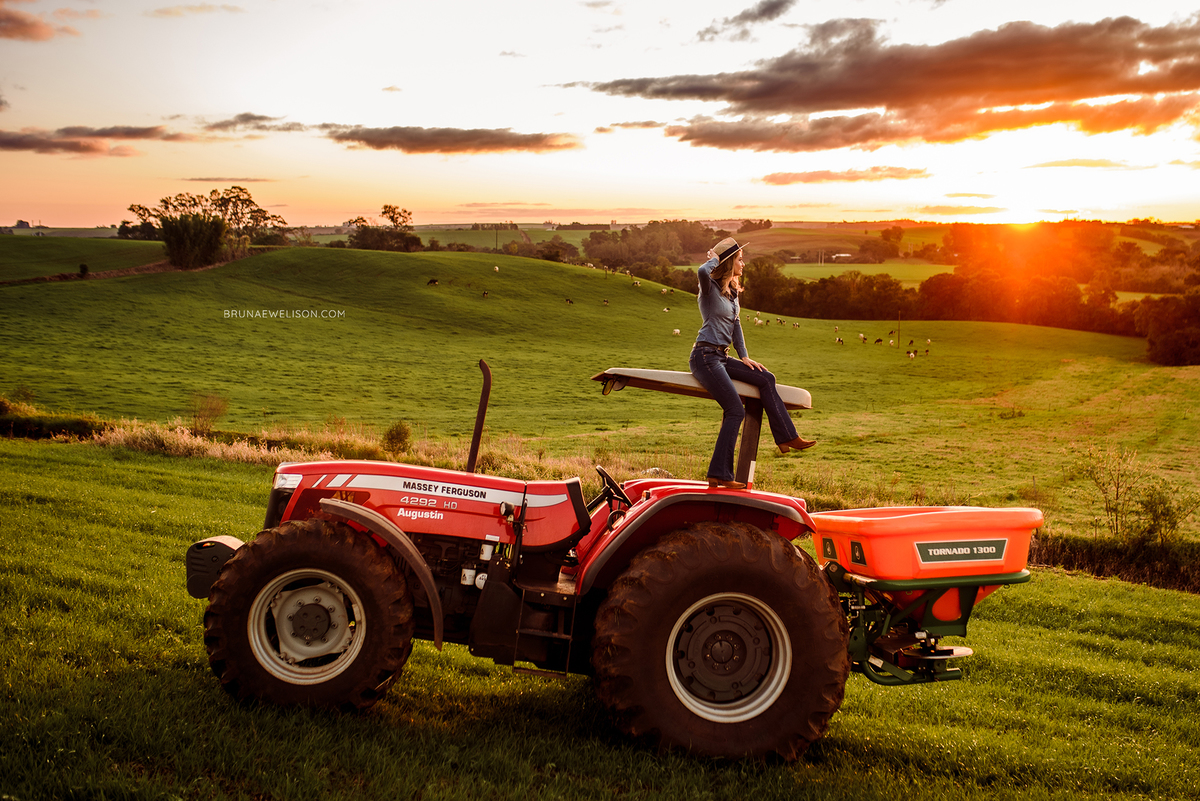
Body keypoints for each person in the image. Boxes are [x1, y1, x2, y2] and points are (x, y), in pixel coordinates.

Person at [689, 237, 815, 489]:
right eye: (739, 259)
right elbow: (702, 270)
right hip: (704, 356)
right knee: (735, 409)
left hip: (722, 357)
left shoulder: (733, 293)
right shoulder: (709, 288)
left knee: (766, 378)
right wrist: (716, 256)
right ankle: (719, 473)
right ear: (727, 262)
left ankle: (787, 437)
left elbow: (736, 327)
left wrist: (744, 356)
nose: (743, 263)